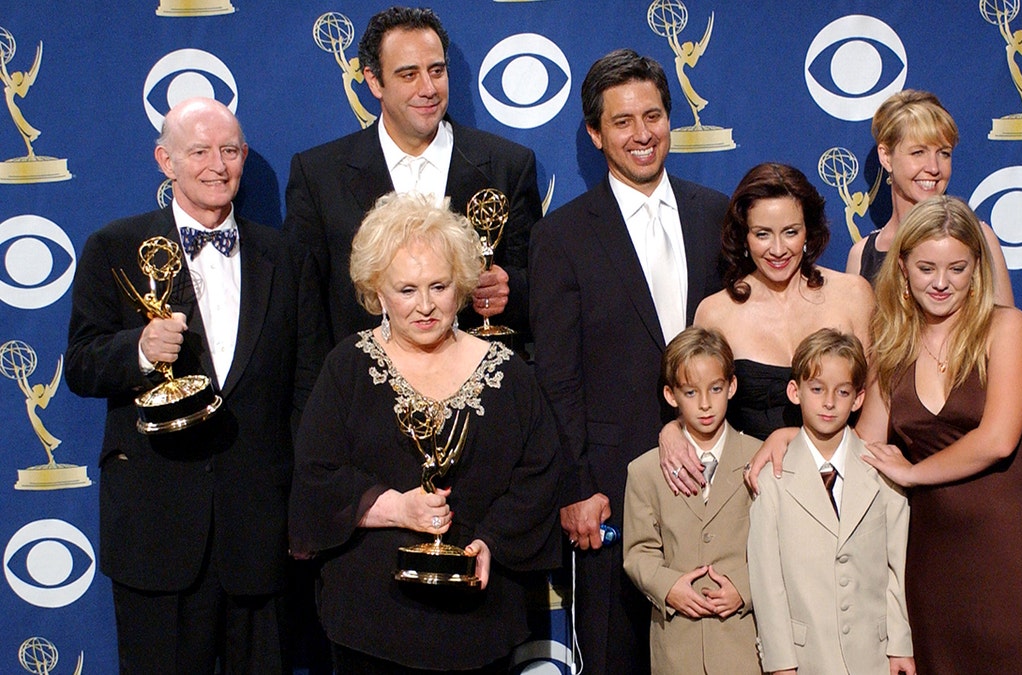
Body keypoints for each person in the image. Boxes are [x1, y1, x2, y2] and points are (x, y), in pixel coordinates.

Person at [750, 196, 1022, 674]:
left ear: (977, 269)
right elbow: (860, 444)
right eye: (927, 267)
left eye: (958, 268)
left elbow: (998, 439)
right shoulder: (891, 347)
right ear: (901, 267)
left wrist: (914, 470)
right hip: (930, 561)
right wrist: (792, 437)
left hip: (1012, 554)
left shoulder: (1006, 328)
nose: (942, 282)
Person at [65, 97, 326, 674]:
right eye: (199, 151)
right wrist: (136, 350)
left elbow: (308, 389)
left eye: (229, 150)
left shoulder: (289, 258)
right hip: (155, 532)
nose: (217, 164)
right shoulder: (114, 248)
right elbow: (80, 365)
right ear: (166, 160)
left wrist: (305, 507)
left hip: (260, 532)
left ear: (245, 156)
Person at [288, 192, 562, 674]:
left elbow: (538, 476)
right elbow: (315, 476)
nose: (425, 306)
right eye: (407, 290)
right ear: (376, 291)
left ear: (460, 285)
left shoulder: (509, 372)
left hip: (481, 617)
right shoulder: (346, 368)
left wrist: (492, 542)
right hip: (371, 621)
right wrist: (395, 506)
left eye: (438, 286)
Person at [529, 48, 727, 674]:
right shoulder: (560, 237)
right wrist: (578, 486)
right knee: (617, 656)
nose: (642, 134)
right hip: (611, 493)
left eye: (653, 116)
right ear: (595, 133)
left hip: (718, 483)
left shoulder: (719, 216)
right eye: (622, 121)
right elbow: (556, 377)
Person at [284, 6, 542, 345]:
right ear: (374, 81)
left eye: (437, 71)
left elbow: (540, 288)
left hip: (481, 383)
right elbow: (304, 310)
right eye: (409, 75)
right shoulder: (319, 176)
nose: (429, 88)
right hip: (365, 388)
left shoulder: (508, 165)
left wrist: (511, 289)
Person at [659, 163, 875, 496]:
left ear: (809, 232)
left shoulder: (853, 295)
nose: (777, 249)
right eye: (762, 234)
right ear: (743, 236)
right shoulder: (716, 312)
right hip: (750, 494)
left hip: (844, 488)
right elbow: (696, 401)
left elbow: (876, 398)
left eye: (790, 231)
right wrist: (672, 430)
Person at [747, 328, 913, 675]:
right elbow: (767, 581)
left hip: (875, 656)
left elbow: (899, 566)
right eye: (817, 389)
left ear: (858, 399)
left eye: (842, 392)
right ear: (795, 392)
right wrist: (780, 663)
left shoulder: (881, 472)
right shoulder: (773, 480)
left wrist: (901, 645)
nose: (828, 403)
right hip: (807, 659)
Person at [622, 326, 761, 675]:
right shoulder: (645, 471)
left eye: (715, 389)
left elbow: (781, 545)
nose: (704, 404)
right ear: (671, 395)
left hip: (744, 645)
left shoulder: (759, 458)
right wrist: (669, 588)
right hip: (676, 650)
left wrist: (744, 589)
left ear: (731, 386)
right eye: (690, 391)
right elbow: (638, 552)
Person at [845, 89, 1014, 306]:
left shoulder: (978, 237)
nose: (934, 168)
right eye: (918, 153)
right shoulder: (862, 256)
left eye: (944, 153)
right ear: (886, 157)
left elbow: (1006, 330)